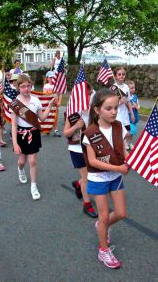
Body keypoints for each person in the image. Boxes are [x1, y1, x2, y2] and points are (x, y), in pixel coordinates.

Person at [82, 88, 130, 269]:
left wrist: (130, 159)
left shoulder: (118, 126)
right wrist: (118, 167)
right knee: (103, 216)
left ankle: (102, 226)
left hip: (116, 177)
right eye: (108, 108)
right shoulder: (90, 133)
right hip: (99, 179)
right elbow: (93, 161)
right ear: (97, 110)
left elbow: (123, 149)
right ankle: (103, 250)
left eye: (116, 108)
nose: (114, 112)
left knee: (121, 213)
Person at [11, 74, 57, 200]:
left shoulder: (36, 100)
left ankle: (34, 186)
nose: (26, 89)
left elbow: (42, 118)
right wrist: (14, 143)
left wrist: (50, 105)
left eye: (28, 86)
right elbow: (14, 125)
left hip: (33, 133)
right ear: (18, 87)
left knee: (32, 161)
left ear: (31, 86)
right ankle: (20, 169)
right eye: (23, 86)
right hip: (21, 134)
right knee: (22, 161)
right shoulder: (15, 104)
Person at [63, 85, 98, 218]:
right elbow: (66, 133)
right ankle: (87, 204)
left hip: (91, 147)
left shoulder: (94, 111)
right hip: (76, 149)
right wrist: (76, 126)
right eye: (85, 95)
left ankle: (78, 184)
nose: (88, 98)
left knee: (89, 176)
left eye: (89, 95)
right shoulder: (73, 113)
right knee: (87, 177)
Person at [112, 67, 134, 149]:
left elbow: (128, 101)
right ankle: (119, 147)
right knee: (118, 132)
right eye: (119, 74)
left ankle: (123, 145)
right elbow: (110, 103)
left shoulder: (126, 87)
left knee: (127, 132)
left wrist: (131, 113)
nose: (121, 76)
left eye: (123, 74)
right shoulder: (113, 88)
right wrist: (119, 102)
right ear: (115, 76)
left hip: (125, 113)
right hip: (116, 113)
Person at [43, 70, 62, 137]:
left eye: (53, 77)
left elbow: (60, 94)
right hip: (49, 105)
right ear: (47, 78)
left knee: (55, 118)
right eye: (50, 77)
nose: (52, 79)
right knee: (48, 117)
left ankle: (55, 130)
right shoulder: (46, 86)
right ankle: (48, 128)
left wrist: (59, 102)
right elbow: (45, 95)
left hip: (56, 105)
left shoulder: (57, 86)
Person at [126, 80, 140, 149]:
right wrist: (133, 106)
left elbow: (138, 105)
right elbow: (126, 107)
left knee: (133, 131)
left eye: (134, 88)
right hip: (129, 117)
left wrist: (137, 107)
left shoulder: (135, 96)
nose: (133, 89)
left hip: (135, 115)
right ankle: (125, 142)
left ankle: (130, 143)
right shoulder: (127, 98)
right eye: (131, 88)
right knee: (129, 131)